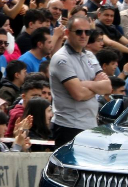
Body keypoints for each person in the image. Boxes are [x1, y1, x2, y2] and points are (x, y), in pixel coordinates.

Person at [48, 16, 112, 147]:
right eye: (78, 32)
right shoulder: (61, 58)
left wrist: (86, 83)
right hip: (69, 127)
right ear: (67, 33)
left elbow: (108, 87)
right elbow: (78, 94)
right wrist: (95, 85)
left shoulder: (89, 55)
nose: (83, 35)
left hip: (90, 125)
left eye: (87, 32)